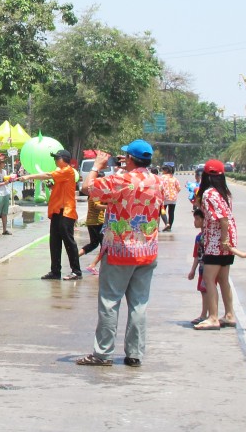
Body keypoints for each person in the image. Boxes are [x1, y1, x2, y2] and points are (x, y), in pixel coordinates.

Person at [76, 140, 162, 368]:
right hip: (148, 250)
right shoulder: (157, 181)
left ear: (130, 158)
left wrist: (96, 166)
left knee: (109, 302)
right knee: (139, 304)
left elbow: (86, 188)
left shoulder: (121, 180)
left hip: (120, 249)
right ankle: (134, 353)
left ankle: (102, 353)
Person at [18, 149, 80, 280]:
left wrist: (29, 176)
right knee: (54, 242)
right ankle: (55, 271)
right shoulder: (60, 173)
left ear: (64, 159)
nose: (55, 160)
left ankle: (76, 271)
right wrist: (52, 187)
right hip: (57, 211)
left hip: (66, 211)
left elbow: (47, 175)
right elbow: (58, 187)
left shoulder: (67, 170)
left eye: (57, 158)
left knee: (69, 242)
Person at [193, 159, 239, 331]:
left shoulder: (209, 194)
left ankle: (213, 317)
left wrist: (223, 240)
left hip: (216, 239)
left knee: (209, 278)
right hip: (227, 238)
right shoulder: (224, 192)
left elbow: (223, 219)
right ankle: (229, 314)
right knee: (223, 279)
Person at [77, 173, 105, 269]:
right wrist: (111, 207)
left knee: (93, 244)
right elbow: (97, 206)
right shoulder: (95, 192)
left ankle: (75, 256)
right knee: (105, 247)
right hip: (98, 222)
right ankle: (92, 265)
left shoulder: (93, 192)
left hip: (91, 222)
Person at [188, 208, 207, 325]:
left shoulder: (205, 237)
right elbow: (196, 255)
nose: (195, 222)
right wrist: (193, 270)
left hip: (206, 267)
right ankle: (206, 314)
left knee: (206, 291)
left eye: (197, 219)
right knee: (203, 290)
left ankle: (205, 315)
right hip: (201, 267)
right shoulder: (199, 237)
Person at [159, 165, 181, 231]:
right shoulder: (174, 178)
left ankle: (166, 223)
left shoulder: (162, 177)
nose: (162, 172)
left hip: (165, 197)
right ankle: (170, 227)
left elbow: (159, 187)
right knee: (171, 212)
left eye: (162, 170)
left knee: (162, 211)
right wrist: (174, 193)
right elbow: (179, 188)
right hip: (173, 198)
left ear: (165, 171)